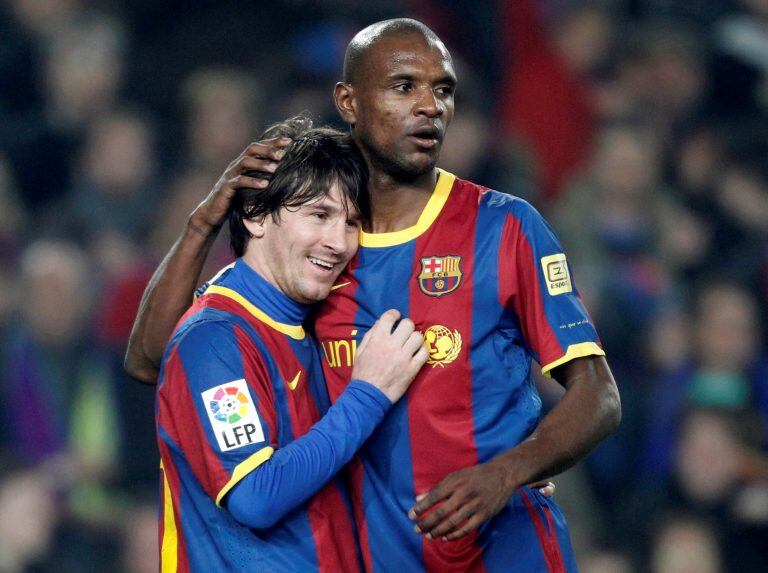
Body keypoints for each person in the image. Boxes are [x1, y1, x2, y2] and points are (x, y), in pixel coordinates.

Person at [127, 19, 621, 572]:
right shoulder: (316, 259)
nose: (430, 105)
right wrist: (205, 222)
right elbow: (156, 357)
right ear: (348, 100)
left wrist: (511, 470)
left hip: (505, 551)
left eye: (443, 89)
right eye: (403, 86)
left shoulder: (506, 227)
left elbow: (599, 395)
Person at [154, 118, 428, 571]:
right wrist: (368, 394)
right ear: (256, 215)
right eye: (319, 215)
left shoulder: (320, 328)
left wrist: (498, 469)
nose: (338, 242)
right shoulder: (213, 341)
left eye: (352, 222)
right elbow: (254, 496)